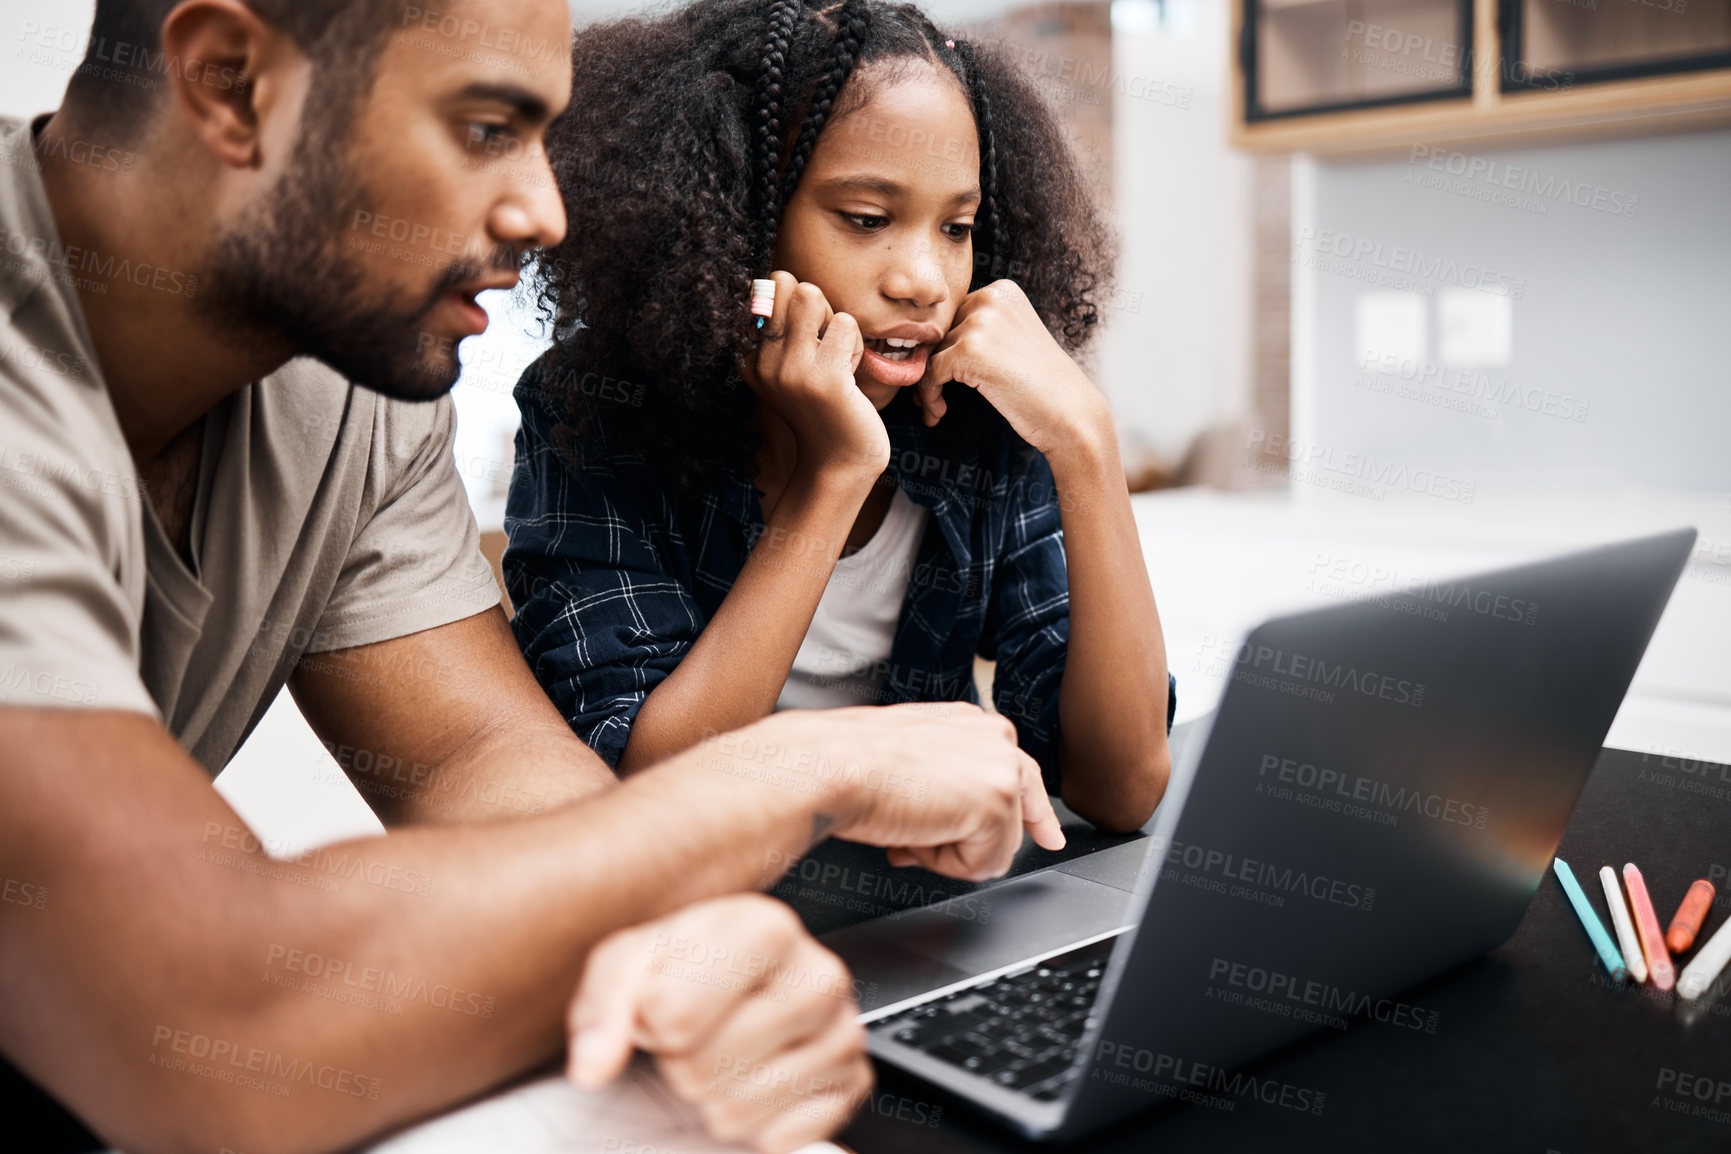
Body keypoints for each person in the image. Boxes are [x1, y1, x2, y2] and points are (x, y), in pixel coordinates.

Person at [0, 2, 1065, 1151]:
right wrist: (800, 768)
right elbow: (213, 1021)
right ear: (228, 83)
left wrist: (680, 943)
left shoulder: (349, 385)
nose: (544, 212)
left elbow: (481, 761)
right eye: (485, 128)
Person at [505, 0, 1175, 836]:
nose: (925, 280)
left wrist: (1086, 441)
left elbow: (1121, 787)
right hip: (705, 920)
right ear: (737, 223)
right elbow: (650, 786)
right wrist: (836, 473)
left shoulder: (980, 415)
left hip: (931, 908)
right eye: (866, 220)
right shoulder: (595, 412)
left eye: (957, 227)